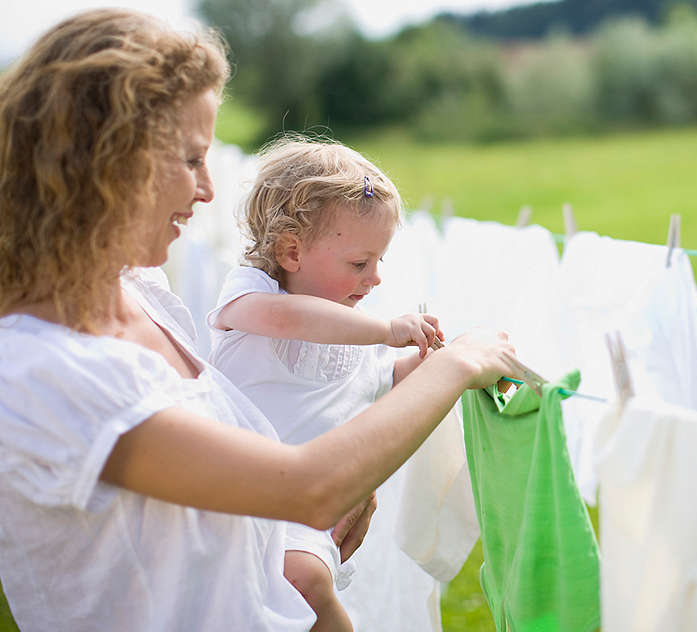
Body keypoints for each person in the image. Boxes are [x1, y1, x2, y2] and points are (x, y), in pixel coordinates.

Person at [0, 9, 517, 632]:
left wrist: (336, 492)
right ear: (110, 164)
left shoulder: (138, 292)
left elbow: (242, 489)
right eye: (191, 160)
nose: (209, 190)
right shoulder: (36, 371)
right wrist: (459, 363)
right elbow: (305, 487)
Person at [206, 137, 446, 630]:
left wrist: (436, 362)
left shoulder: (355, 332)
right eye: (360, 263)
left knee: (304, 581)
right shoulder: (252, 295)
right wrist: (386, 330)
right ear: (291, 251)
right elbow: (288, 320)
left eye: (379, 261)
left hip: (305, 511)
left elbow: (391, 383)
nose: (375, 278)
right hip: (230, 494)